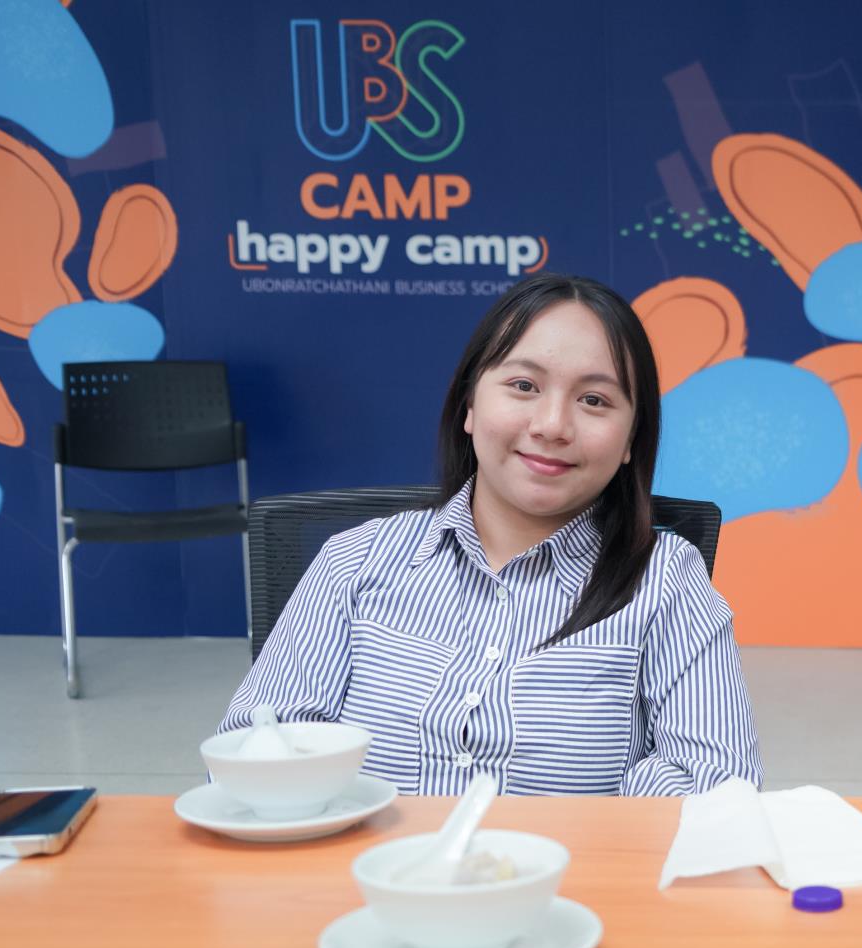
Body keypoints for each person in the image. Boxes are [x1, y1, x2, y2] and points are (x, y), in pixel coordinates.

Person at [222, 273, 762, 797]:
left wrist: (596, 819)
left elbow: (716, 786)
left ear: (629, 441)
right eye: (524, 386)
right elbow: (257, 751)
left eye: (594, 400)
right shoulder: (355, 560)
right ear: (470, 405)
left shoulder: (666, 580)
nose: (552, 425)